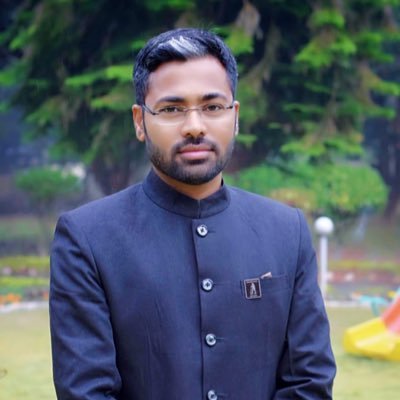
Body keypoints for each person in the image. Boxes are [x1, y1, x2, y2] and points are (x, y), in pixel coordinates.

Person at [50, 28, 336, 400]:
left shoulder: (286, 231)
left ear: (235, 116)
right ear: (139, 121)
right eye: (172, 109)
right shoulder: (87, 238)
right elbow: (86, 391)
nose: (195, 126)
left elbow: (310, 383)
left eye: (212, 107)